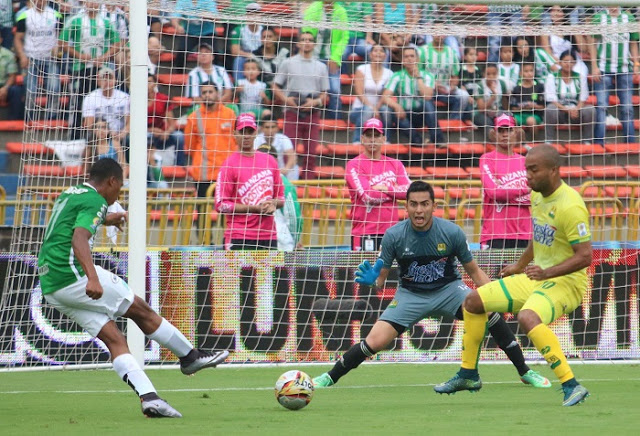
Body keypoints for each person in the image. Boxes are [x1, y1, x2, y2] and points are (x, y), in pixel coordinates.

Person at [38, 158, 229, 418]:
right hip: (72, 275)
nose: (119, 193)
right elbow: (79, 237)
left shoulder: (72, 192)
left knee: (114, 339)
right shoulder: (95, 200)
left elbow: (76, 219)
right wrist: (92, 278)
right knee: (140, 309)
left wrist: (107, 218)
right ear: (112, 181)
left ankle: (149, 399)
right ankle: (189, 356)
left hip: (51, 285)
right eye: (120, 187)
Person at [313, 181, 550, 389]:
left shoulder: (451, 232)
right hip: (410, 295)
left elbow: (474, 271)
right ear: (405, 207)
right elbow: (380, 281)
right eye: (413, 204)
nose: (419, 210)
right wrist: (372, 281)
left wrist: (497, 296)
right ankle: (329, 377)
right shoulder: (394, 236)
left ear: (433, 206)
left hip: (449, 290)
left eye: (424, 204)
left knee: (488, 312)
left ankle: (525, 372)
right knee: (375, 341)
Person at [435, 144, 592, 407]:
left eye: (533, 170)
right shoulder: (538, 196)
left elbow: (585, 256)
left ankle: (571, 385)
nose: (527, 176)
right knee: (473, 301)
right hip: (537, 277)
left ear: (553, 170)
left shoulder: (570, 206)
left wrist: (546, 271)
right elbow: (538, 236)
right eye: (526, 169)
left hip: (567, 283)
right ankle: (468, 374)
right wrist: (520, 266)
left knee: (527, 317)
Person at [215, 113, 285, 250]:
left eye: (250, 131)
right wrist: (254, 209)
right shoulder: (229, 164)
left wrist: (273, 204)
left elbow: (281, 197)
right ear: (235, 133)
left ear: (256, 132)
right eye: (242, 131)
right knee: (239, 273)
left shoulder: (270, 161)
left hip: (268, 236)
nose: (246, 136)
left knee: (268, 272)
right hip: (239, 235)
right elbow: (220, 204)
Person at [345, 118, 411, 251]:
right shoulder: (354, 165)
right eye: (369, 136)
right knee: (364, 271)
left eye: (377, 135)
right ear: (362, 138)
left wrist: (386, 189)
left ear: (383, 138)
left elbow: (410, 191)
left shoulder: (395, 164)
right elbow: (368, 196)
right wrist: (395, 193)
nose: (373, 140)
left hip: (391, 233)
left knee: (392, 271)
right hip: (364, 233)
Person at [272, 31, 329, 180]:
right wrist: (286, 100)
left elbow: (324, 93)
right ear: (297, 43)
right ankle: (287, 181)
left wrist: (315, 102)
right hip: (292, 110)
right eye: (303, 39)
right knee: (289, 148)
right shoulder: (288, 63)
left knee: (311, 151)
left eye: (310, 40)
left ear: (314, 44)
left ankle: (308, 183)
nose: (307, 42)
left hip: (312, 112)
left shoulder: (321, 66)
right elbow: (275, 86)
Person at [587, 7, 639, 145]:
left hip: (625, 68)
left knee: (627, 107)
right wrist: (594, 66)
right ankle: (599, 144)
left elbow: (633, 43)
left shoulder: (629, 18)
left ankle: (630, 144)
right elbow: (592, 42)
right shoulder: (599, 18)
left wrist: (636, 63)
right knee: (602, 106)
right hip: (603, 68)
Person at [479, 114, 531, 250]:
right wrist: (525, 191)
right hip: (495, 234)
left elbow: (535, 197)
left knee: (525, 272)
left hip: (524, 233)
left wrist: (505, 192)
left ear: (516, 133)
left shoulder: (525, 161)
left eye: (509, 130)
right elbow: (494, 193)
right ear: (494, 134)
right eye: (501, 130)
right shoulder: (487, 159)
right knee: (493, 272)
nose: (505, 134)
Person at [379, 46, 444, 147]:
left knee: (428, 104)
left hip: (421, 115)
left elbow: (427, 96)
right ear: (402, 61)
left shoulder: (427, 76)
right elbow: (385, 97)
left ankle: (438, 140)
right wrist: (397, 106)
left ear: (417, 59)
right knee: (386, 109)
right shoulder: (397, 76)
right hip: (403, 114)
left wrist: (418, 77)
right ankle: (418, 141)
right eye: (406, 57)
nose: (409, 59)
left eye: (412, 56)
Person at [183, 82, 236, 198]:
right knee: (203, 211)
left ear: (217, 93)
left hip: (227, 173)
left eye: (210, 92)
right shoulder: (193, 117)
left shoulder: (230, 114)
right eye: (204, 92)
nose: (207, 95)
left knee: (227, 211)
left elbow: (236, 142)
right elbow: (190, 146)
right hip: (204, 175)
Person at [14, 0, 63, 122]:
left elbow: (60, 37)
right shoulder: (24, 15)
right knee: (30, 88)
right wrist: (22, 56)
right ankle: (29, 116)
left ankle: (52, 117)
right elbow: (18, 38)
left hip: (49, 58)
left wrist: (57, 49)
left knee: (54, 87)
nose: (39, 1)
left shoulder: (56, 15)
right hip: (31, 57)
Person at [302, 0, 349, 119]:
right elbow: (306, 32)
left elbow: (344, 37)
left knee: (334, 89)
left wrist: (335, 57)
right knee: (308, 88)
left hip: (331, 58)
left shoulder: (341, 12)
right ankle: (307, 117)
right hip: (313, 57)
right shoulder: (313, 8)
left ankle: (335, 120)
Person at [544, 50, 594, 144]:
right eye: (565, 61)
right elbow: (552, 100)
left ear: (575, 63)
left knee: (590, 109)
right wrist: (568, 110)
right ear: (560, 62)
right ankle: (549, 140)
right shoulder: (552, 77)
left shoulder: (580, 77)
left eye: (571, 62)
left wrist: (576, 109)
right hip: (560, 111)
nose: (568, 64)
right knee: (550, 109)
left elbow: (583, 98)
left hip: (576, 112)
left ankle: (587, 140)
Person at [349, 44, 392, 143]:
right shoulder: (361, 69)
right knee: (368, 110)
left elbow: (385, 95)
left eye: (381, 51)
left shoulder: (389, 73)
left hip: (379, 109)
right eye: (375, 51)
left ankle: (386, 140)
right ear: (370, 54)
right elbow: (359, 93)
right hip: (359, 109)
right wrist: (372, 108)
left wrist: (376, 109)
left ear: (385, 55)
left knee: (386, 110)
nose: (378, 53)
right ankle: (357, 140)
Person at [82, 67, 130, 146]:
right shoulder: (90, 98)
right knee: (90, 138)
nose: (107, 81)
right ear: (98, 81)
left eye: (110, 78)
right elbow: (89, 124)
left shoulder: (125, 97)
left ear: (115, 80)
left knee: (129, 140)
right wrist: (107, 133)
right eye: (103, 78)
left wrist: (122, 133)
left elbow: (129, 122)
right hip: (100, 133)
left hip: (121, 134)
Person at [254, 115, 299, 181]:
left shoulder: (283, 138)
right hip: (261, 172)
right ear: (262, 128)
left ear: (277, 128)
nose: (270, 130)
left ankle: (291, 190)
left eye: (273, 127)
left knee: (294, 168)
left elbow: (292, 156)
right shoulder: (256, 139)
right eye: (267, 127)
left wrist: (286, 169)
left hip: (280, 171)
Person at [509, 62, 545, 131]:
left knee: (530, 121)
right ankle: (515, 140)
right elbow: (513, 108)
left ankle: (534, 140)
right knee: (513, 120)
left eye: (531, 71)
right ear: (520, 73)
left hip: (534, 115)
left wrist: (533, 106)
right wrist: (522, 107)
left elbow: (543, 106)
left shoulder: (539, 87)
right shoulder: (516, 89)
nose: (529, 73)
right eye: (526, 71)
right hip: (519, 115)